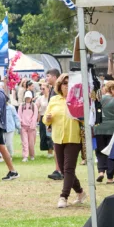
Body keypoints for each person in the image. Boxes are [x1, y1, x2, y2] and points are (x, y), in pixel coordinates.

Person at [42, 73, 86, 208]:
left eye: (69, 83)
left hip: (73, 137)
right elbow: (45, 119)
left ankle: (63, 196)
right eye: (64, 83)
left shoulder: (78, 99)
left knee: (68, 168)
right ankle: (80, 192)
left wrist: (80, 117)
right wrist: (47, 119)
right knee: (63, 168)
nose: (67, 86)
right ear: (59, 86)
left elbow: (85, 117)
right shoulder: (54, 99)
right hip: (58, 137)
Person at [94, 81, 114, 183]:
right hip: (112, 129)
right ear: (112, 89)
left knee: (100, 151)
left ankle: (101, 171)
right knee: (111, 151)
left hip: (98, 128)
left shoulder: (98, 100)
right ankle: (110, 178)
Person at [41, 69, 62, 180]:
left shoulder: (58, 90)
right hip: (53, 122)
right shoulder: (54, 89)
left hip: (59, 123)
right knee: (56, 146)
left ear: (54, 77)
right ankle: (58, 169)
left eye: (48, 76)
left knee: (58, 147)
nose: (47, 78)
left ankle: (60, 170)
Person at [18, 93, 39, 163]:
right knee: (25, 142)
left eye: (29, 98)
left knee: (31, 143)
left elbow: (35, 116)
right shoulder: (21, 105)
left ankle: (32, 155)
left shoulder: (34, 106)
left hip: (31, 127)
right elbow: (19, 115)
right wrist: (20, 123)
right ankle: (25, 156)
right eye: (26, 98)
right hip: (23, 127)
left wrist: (32, 125)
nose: (27, 99)